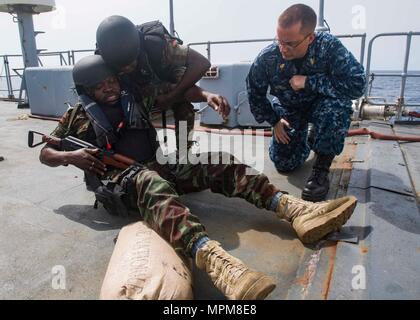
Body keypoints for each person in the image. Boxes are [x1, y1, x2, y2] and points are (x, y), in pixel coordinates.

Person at [39, 55, 358, 300]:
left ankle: (292, 209)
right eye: (100, 85)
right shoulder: (75, 116)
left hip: (155, 166)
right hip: (121, 187)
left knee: (220, 162)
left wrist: (205, 95)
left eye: (111, 81)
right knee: (152, 183)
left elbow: (177, 93)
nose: (109, 88)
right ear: (86, 90)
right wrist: (72, 156)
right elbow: (45, 152)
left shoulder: (134, 99)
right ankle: (215, 260)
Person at [246, 4, 366, 202]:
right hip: (288, 109)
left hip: (320, 107)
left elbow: (357, 84)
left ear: (310, 37)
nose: (282, 49)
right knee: (285, 164)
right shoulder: (268, 58)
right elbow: (255, 94)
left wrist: (309, 82)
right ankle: (306, 139)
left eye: (290, 44)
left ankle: (321, 169)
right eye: (279, 41)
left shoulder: (328, 47)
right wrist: (274, 121)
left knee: (336, 108)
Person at [95, 15, 229, 150]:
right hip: (131, 97)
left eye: (130, 63)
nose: (127, 68)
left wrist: (204, 95)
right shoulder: (102, 61)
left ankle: (183, 151)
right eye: (121, 67)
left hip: (158, 85)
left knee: (184, 109)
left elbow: (201, 64)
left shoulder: (158, 48)